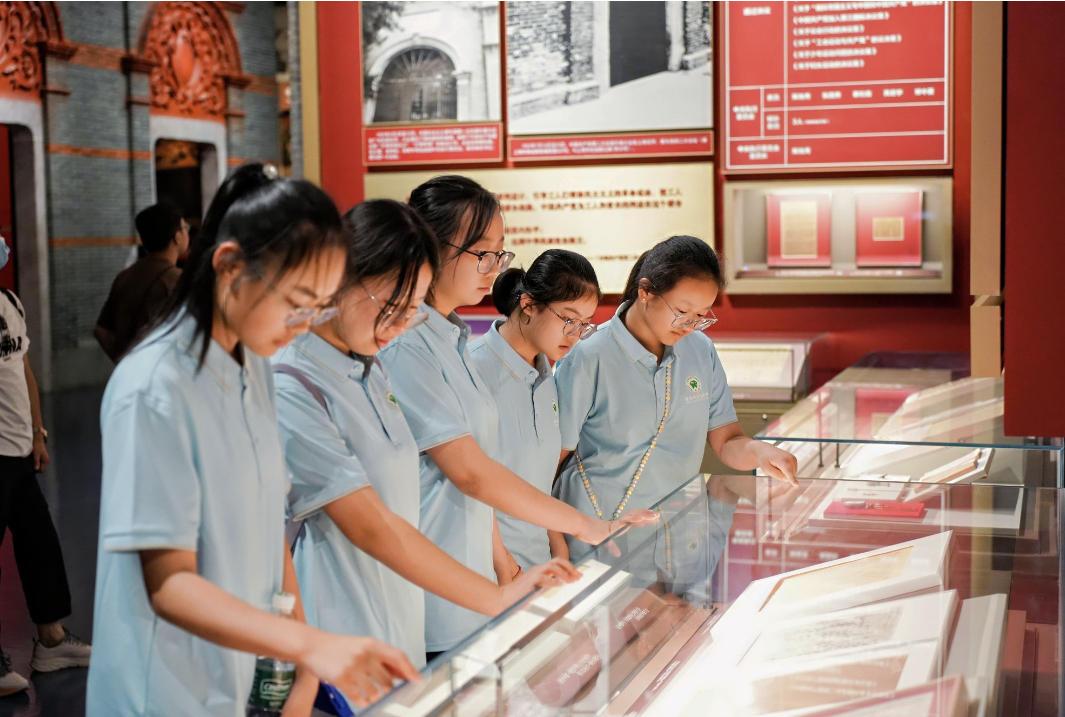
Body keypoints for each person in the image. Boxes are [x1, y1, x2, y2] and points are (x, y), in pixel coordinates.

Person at [86, 164, 417, 717]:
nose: (305, 323)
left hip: (235, 679)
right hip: (163, 691)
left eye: (319, 306)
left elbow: (269, 529)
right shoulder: (154, 387)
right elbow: (168, 583)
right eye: (298, 302)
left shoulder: (253, 365)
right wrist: (312, 645)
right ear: (230, 266)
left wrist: (299, 665)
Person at [274, 200, 580, 711]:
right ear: (342, 278)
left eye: (412, 308)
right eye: (392, 305)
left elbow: (400, 507)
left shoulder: (370, 365)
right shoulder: (296, 380)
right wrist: (497, 592)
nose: (400, 323)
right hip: (337, 638)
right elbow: (374, 526)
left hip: (399, 627)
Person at [380, 175, 655, 661]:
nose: (494, 267)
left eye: (499, 254)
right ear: (430, 245)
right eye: (482, 253)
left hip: (476, 579)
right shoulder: (408, 344)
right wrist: (587, 528)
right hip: (438, 580)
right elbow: (470, 473)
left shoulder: (452, 339)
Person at [553, 235, 798, 557]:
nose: (690, 325)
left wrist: (760, 452)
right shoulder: (588, 356)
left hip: (674, 532)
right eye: (682, 311)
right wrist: (555, 545)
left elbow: (727, 440)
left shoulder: (700, 350)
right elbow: (552, 461)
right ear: (645, 292)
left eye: (702, 315)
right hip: (596, 533)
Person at [468, 249, 601, 570]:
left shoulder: (546, 375)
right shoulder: (473, 369)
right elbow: (471, 483)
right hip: (489, 569)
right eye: (568, 319)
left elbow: (539, 481)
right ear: (528, 305)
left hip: (538, 565)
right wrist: (505, 567)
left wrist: (558, 548)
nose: (575, 335)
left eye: (584, 324)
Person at [0, 233, 91, 697]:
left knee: (40, 542)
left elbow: (23, 369)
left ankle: (51, 640)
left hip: (17, 449)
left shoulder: (9, 301)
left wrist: (37, 433)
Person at [95, 202, 190, 362]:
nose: (188, 233)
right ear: (177, 237)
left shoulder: (125, 276)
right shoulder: (178, 280)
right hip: (164, 369)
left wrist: (123, 360)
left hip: (132, 370)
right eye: (185, 228)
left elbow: (101, 330)